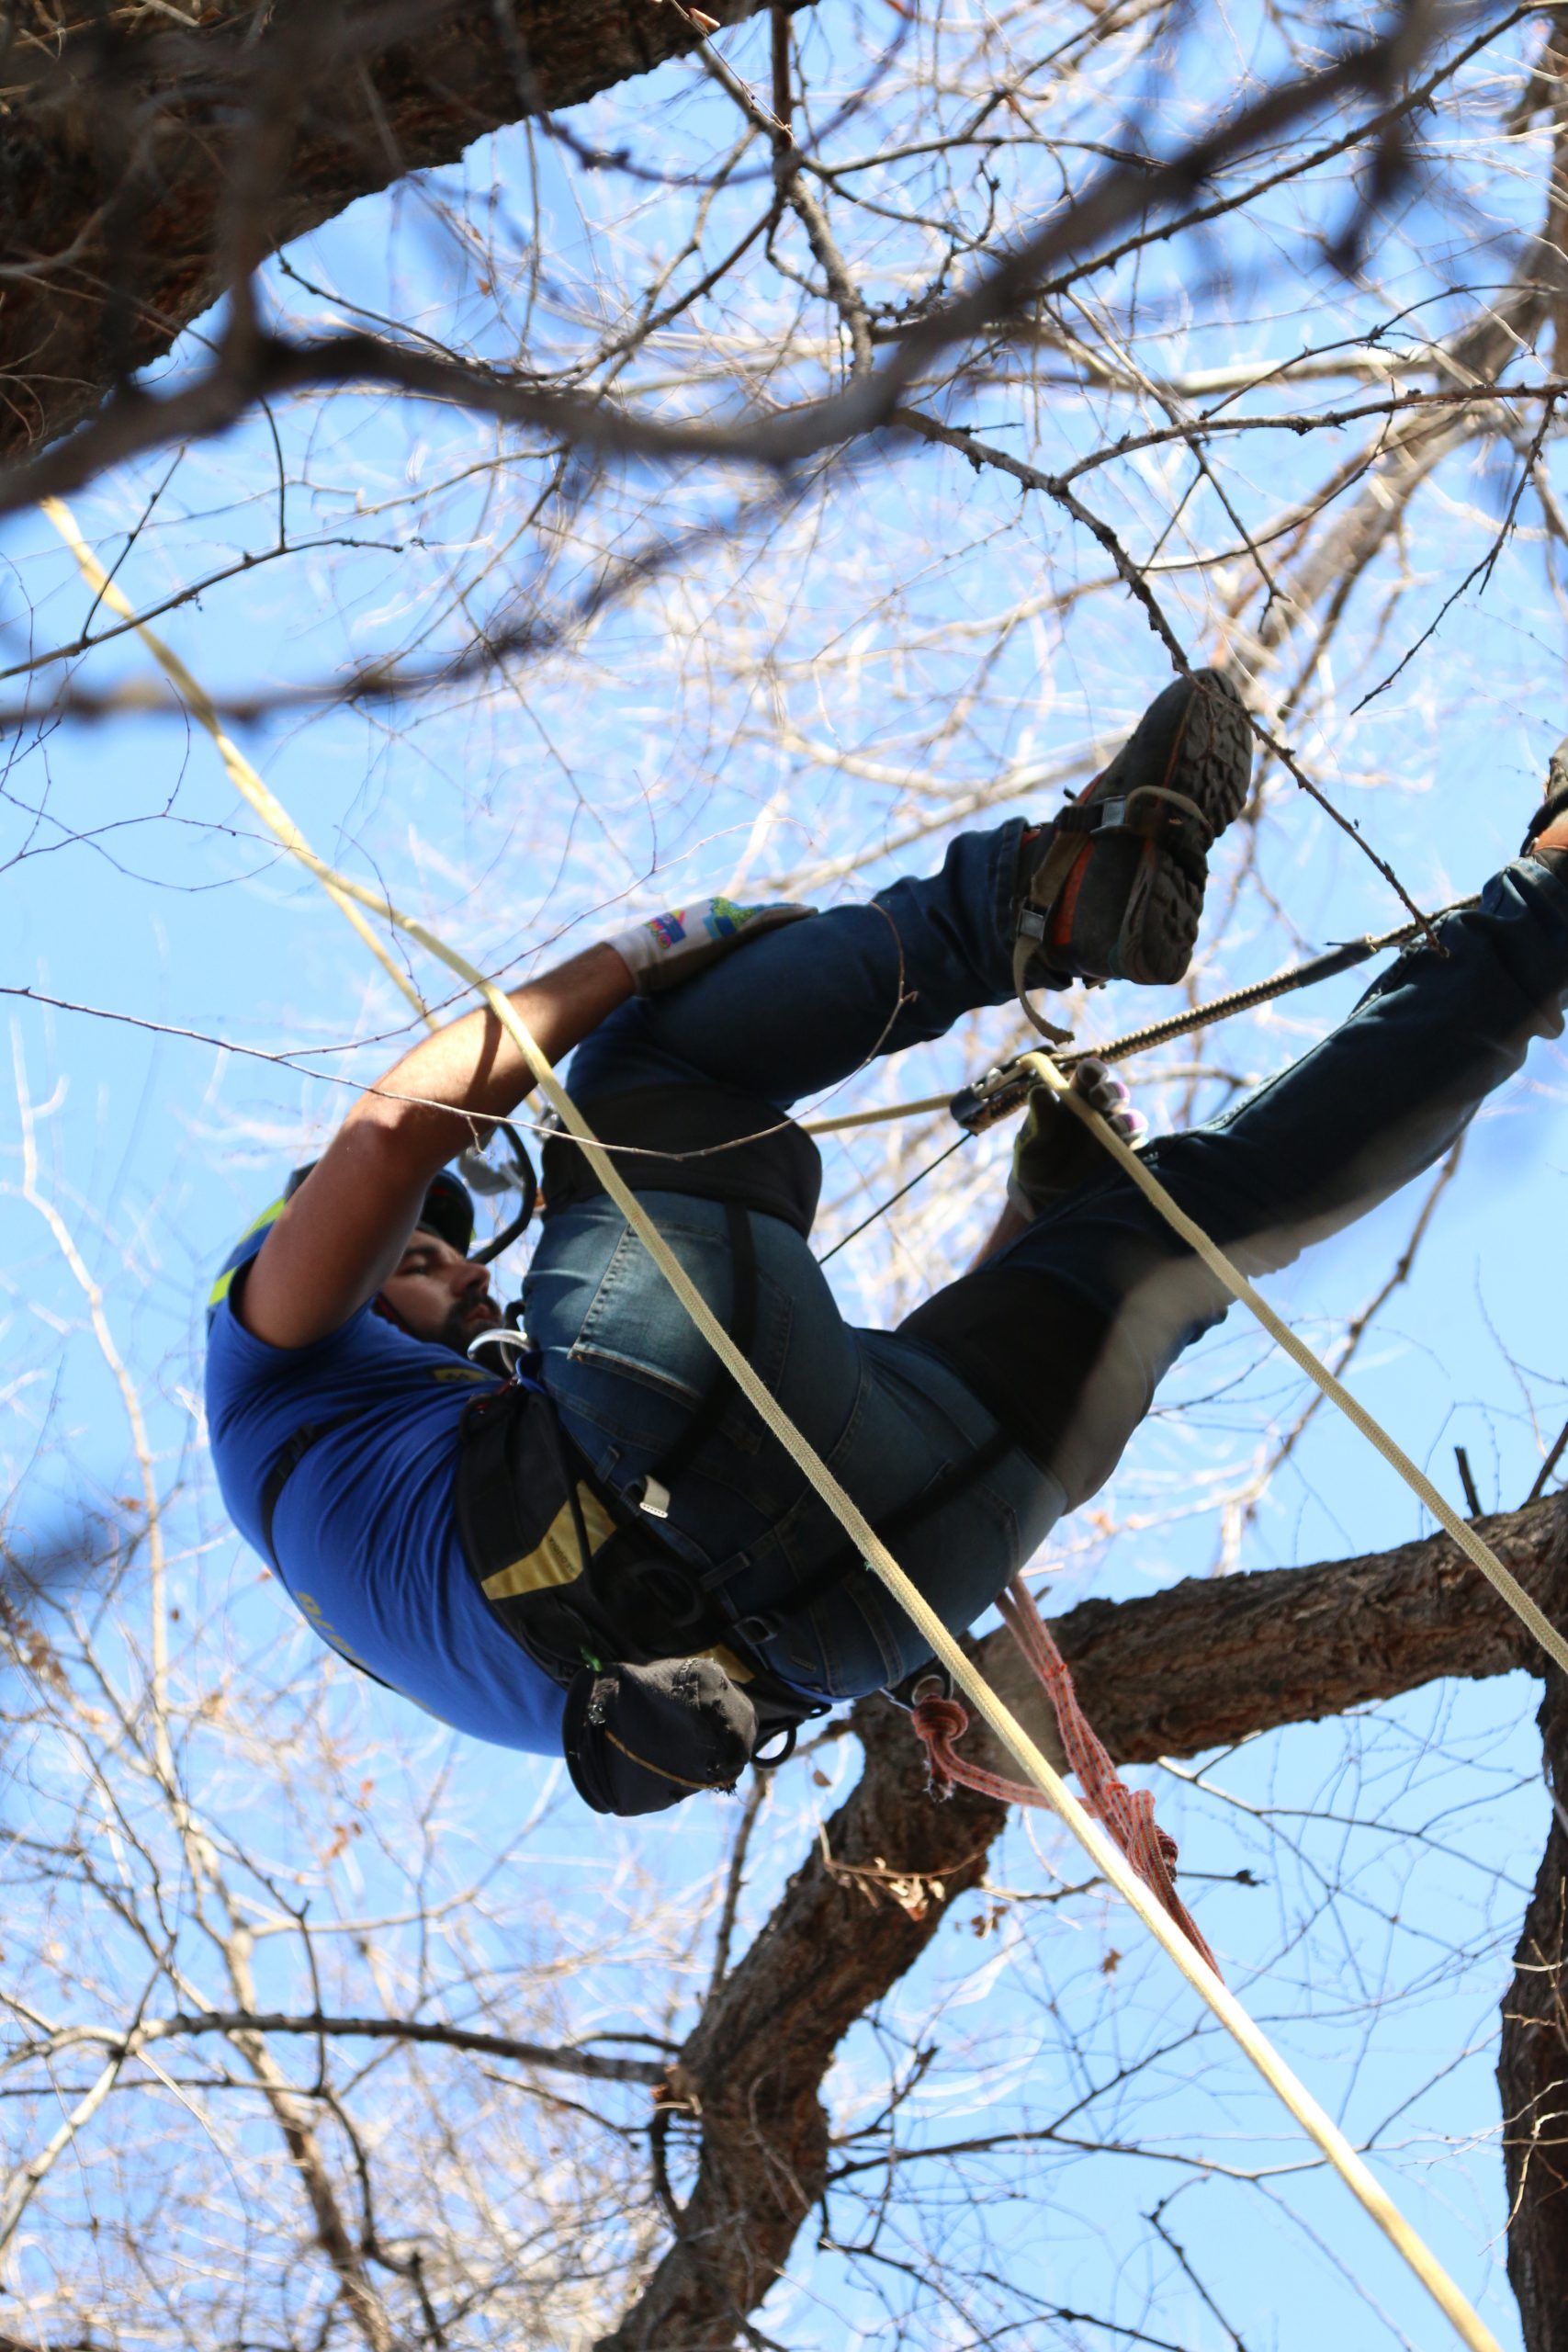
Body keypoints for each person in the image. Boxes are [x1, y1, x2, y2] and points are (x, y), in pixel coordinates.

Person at [205, 671, 1568, 1814]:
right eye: (417, 1262)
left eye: (443, 1252)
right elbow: (391, 1137)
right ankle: (1036, 899)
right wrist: (642, 953)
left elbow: (845, 1454)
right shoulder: (259, 1372)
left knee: (1181, 1226)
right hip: (688, 1493)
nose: (466, 1268)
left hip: (865, 1611)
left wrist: (1039, 1213)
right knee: (632, 1078)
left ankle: (1550, 913)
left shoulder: (400, 1544)